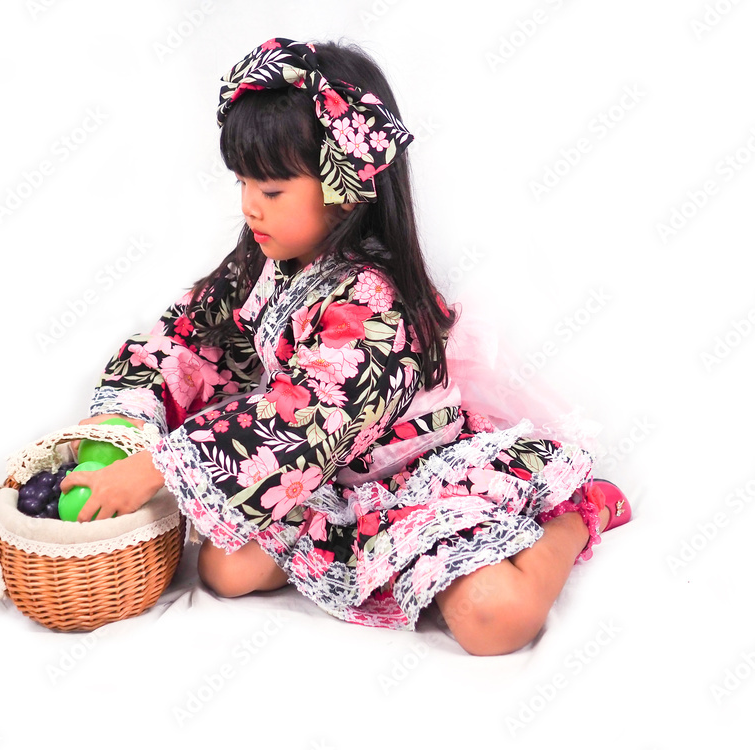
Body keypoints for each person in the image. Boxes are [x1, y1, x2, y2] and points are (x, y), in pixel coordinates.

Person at [59, 36, 632, 656]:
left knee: (494, 621)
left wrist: (156, 467)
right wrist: (122, 417)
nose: (251, 206)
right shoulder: (266, 261)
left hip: (412, 470)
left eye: (273, 190)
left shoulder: (373, 299)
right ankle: (372, 556)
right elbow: (191, 338)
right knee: (224, 571)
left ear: (342, 186)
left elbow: (308, 414)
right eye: (243, 183)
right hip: (333, 478)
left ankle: (579, 513)